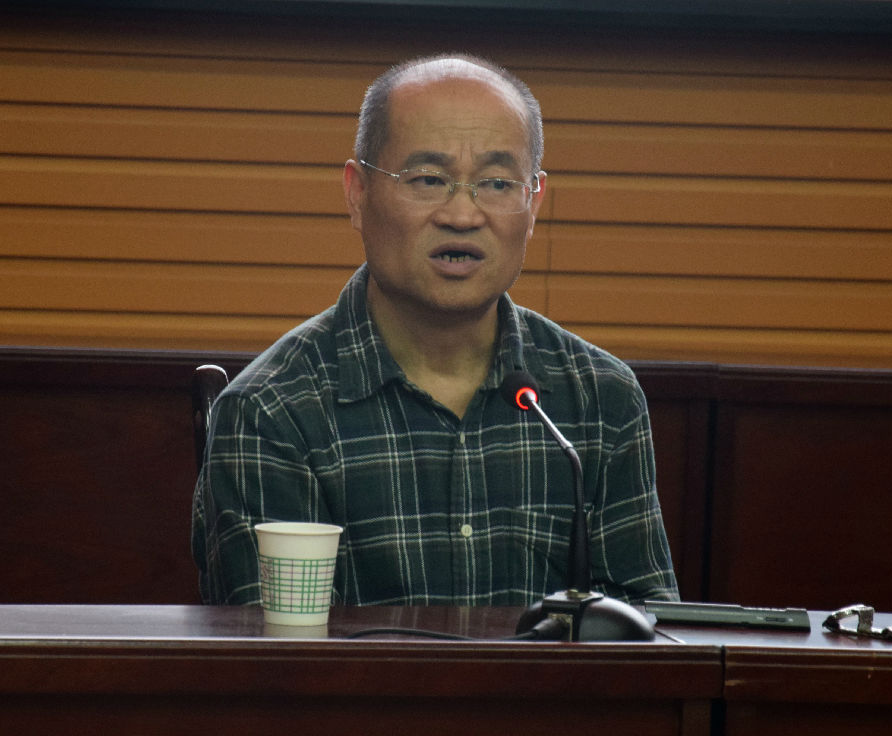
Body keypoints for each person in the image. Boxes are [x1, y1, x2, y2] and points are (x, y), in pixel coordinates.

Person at [192, 53, 679, 607]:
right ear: (357, 193)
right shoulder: (271, 413)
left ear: (534, 202)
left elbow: (647, 631)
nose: (463, 215)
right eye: (429, 179)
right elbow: (279, 650)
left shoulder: (600, 398)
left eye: (497, 183)